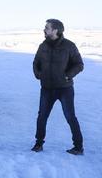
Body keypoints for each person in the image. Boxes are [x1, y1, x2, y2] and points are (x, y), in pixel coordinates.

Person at [31, 18, 85, 155]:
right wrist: (38, 74)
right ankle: (38, 144)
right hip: (47, 88)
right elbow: (36, 62)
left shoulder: (69, 46)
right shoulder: (43, 46)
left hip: (64, 88)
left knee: (70, 117)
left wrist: (67, 75)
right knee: (42, 116)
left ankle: (78, 146)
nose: (44, 30)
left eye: (47, 28)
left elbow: (79, 64)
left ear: (55, 30)